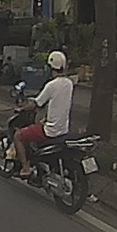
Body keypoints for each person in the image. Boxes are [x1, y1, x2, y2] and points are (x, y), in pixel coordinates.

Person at [12, 50, 74, 180]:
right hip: (63, 129)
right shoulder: (69, 84)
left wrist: (21, 109)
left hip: (50, 131)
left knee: (18, 136)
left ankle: (25, 168)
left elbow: (36, 104)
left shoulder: (51, 85)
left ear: (51, 67)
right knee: (38, 125)